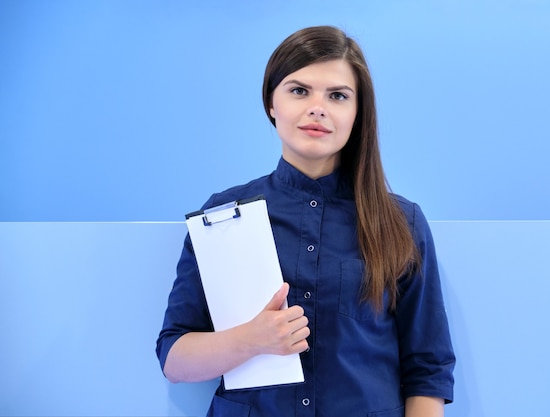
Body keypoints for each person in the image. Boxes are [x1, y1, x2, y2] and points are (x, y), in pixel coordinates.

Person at [156, 25, 455, 417]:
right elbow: (174, 359)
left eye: (337, 96)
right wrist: (251, 339)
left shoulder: (401, 222)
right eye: (299, 91)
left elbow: (428, 369)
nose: (318, 108)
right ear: (271, 103)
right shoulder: (222, 218)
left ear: (357, 112)